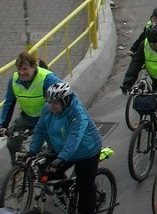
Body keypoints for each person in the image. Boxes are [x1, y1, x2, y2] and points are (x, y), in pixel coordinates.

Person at [26, 83, 103, 214]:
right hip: (63, 151)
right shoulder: (48, 110)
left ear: (65, 100)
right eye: (50, 102)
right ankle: (70, 198)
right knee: (48, 174)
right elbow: (40, 130)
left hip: (87, 152)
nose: (51, 106)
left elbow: (74, 139)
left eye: (55, 103)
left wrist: (61, 158)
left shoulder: (78, 113)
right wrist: (32, 151)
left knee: (85, 189)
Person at [0, 52, 63, 161]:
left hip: (47, 118)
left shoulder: (47, 78)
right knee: (11, 144)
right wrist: (3, 125)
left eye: (25, 69)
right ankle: (19, 170)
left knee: (54, 148)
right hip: (27, 117)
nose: (21, 73)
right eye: (19, 70)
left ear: (33, 66)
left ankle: (53, 172)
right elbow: (9, 103)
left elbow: (63, 96)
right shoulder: (14, 80)